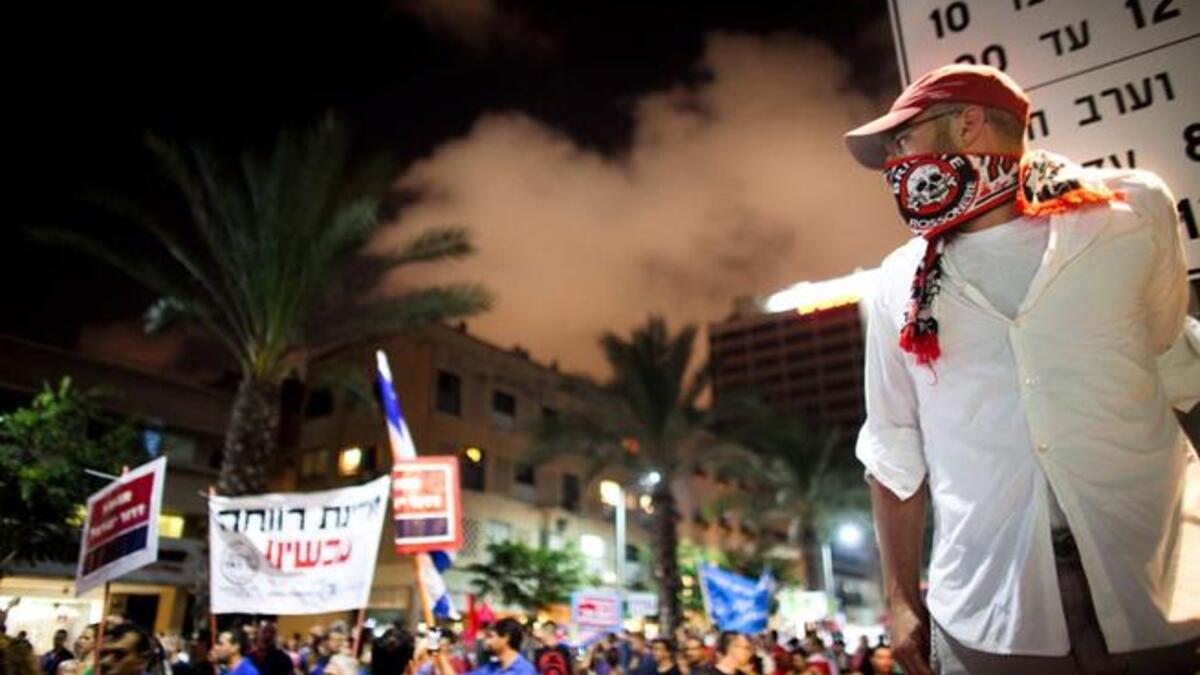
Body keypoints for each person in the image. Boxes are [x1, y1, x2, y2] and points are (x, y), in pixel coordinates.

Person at [844, 62, 1200, 674]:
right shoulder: (896, 283)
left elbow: (1171, 362)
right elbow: (894, 449)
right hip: (991, 611)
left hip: (1154, 576)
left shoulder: (1132, 213)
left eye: (903, 141)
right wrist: (901, 602)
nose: (895, 165)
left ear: (969, 124)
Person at [434, 620, 533, 675]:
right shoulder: (491, 668)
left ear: (506, 638)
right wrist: (441, 655)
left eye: (490, 637)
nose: (486, 642)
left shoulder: (524, 671)